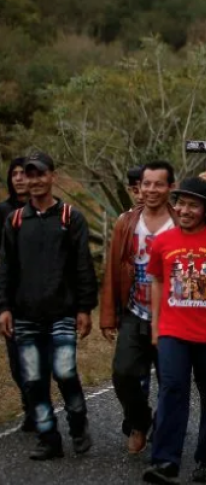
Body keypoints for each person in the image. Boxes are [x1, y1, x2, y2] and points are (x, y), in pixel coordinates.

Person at [142, 177, 206, 484]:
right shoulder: (164, 241)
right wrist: (156, 326)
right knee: (172, 389)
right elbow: (158, 281)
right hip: (173, 330)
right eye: (181, 204)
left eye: (193, 205)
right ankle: (165, 460)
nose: (185, 210)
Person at [0, 152, 98, 461]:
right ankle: (48, 437)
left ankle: (78, 425)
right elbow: (5, 267)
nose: (35, 180)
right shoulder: (15, 220)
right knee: (33, 380)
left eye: (40, 174)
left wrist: (84, 308)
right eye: (29, 175)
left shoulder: (71, 217)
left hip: (62, 312)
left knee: (65, 371)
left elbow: (83, 265)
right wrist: (3, 307)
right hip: (25, 314)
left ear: (52, 176)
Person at [100, 161, 177, 455]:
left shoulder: (179, 222)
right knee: (123, 373)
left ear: (170, 187)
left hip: (172, 316)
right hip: (136, 311)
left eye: (159, 184)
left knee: (170, 380)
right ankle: (139, 420)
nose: (152, 190)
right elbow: (113, 269)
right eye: (147, 184)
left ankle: (165, 428)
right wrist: (108, 315)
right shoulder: (126, 222)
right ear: (139, 187)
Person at [0, 156, 33, 432]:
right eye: (15, 174)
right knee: (16, 359)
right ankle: (30, 406)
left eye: (24, 173)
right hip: (11, 298)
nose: (20, 178)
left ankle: (40, 406)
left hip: (43, 297)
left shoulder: (49, 209)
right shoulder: (3, 212)